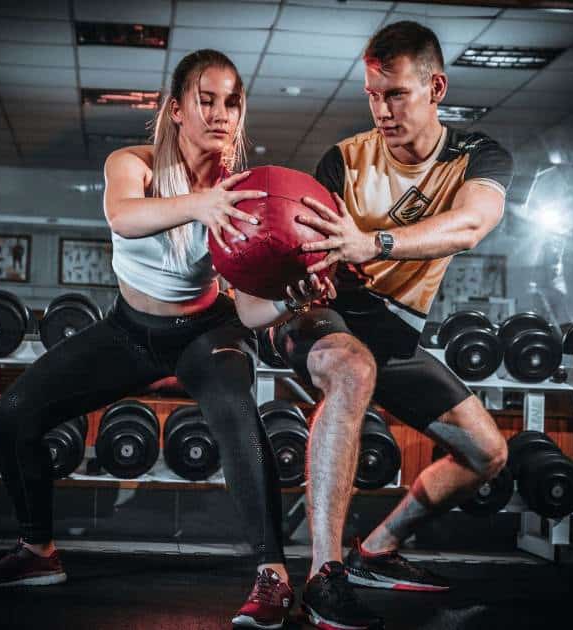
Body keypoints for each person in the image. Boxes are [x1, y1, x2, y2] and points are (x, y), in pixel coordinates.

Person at [0, 49, 297, 630]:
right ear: (175, 109)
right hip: (129, 331)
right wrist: (202, 204)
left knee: (238, 414)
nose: (222, 113)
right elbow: (123, 216)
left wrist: (296, 295)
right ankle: (38, 552)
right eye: (207, 99)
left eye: (233, 102)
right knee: (15, 410)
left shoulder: (241, 193)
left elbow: (247, 305)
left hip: (204, 330)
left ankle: (274, 576)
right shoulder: (133, 165)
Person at [234, 21, 512, 630]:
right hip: (323, 316)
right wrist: (305, 276)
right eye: (372, 95)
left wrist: (373, 242)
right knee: (352, 368)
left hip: (392, 331)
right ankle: (324, 577)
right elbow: (310, 250)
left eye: (397, 95)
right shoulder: (345, 159)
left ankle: (376, 551)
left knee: (486, 453)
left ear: (436, 87)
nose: (381, 110)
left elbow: (469, 226)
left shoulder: (477, 157)